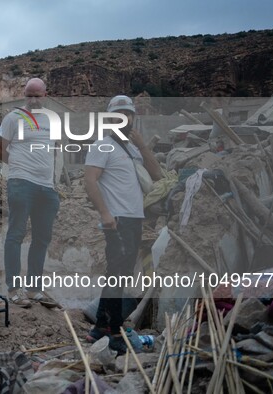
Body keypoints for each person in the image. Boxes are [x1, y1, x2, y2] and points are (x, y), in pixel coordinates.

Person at [84, 95, 162, 354]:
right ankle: (115, 332)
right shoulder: (102, 146)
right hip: (116, 219)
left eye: (128, 115)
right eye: (118, 116)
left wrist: (143, 147)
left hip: (134, 218)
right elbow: (90, 181)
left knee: (119, 273)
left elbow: (157, 176)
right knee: (118, 274)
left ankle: (100, 327)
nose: (123, 120)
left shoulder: (131, 150)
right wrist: (105, 213)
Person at [0, 78, 60, 309]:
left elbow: (54, 150)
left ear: (45, 95)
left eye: (37, 96)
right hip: (21, 183)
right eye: (28, 95)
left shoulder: (53, 119)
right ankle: (14, 289)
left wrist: (54, 180)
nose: (32, 100)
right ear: (24, 95)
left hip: (47, 187)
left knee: (42, 238)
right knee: (16, 234)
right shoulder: (13, 118)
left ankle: (34, 289)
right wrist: (19, 167)